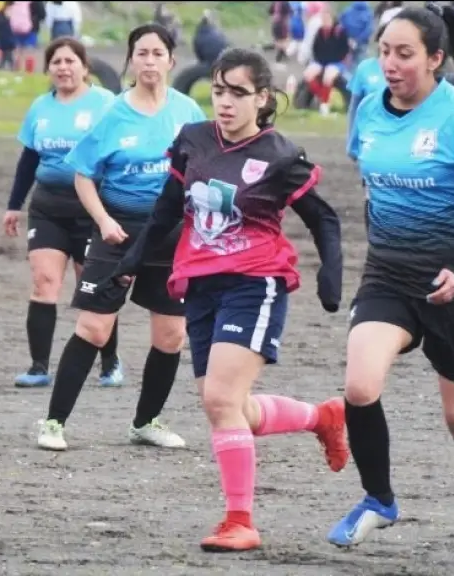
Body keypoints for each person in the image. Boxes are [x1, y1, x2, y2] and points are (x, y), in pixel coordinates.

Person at [104, 47, 348, 552]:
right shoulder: (192, 141)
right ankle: (322, 417)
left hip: (254, 284)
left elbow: (324, 219)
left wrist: (331, 271)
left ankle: (241, 521)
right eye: (218, 91)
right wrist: (132, 260)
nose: (225, 102)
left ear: (263, 98)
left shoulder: (279, 155)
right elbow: (169, 208)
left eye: (238, 92)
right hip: (200, 285)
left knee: (219, 400)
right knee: (229, 406)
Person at [327, 5, 454, 568]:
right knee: (360, 386)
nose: (390, 64)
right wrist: (382, 256)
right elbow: (373, 192)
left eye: (405, 53)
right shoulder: (368, 110)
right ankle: (379, 499)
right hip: (389, 275)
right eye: (385, 52)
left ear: (436, 59)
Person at [34, 23, 206, 452]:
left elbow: (207, 169)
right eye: (141, 54)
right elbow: (83, 176)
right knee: (93, 328)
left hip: (170, 233)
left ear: (172, 60)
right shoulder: (112, 113)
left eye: (157, 53)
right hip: (117, 231)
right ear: (131, 61)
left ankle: (146, 422)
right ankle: (53, 423)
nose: (149, 61)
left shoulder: (188, 113)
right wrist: (104, 221)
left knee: (171, 336)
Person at [3, 37, 123, 389]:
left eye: (70, 61)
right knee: (43, 283)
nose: (63, 67)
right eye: (56, 62)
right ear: (49, 68)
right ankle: (39, 367)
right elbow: (28, 161)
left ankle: (110, 363)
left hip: (92, 208)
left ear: (85, 67)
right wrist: (14, 205)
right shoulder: (40, 108)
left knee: (94, 289)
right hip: (48, 207)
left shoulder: (105, 103)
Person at [304, 8, 352, 117]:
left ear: (332, 19)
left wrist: (334, 61)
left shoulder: (340, 31)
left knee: (328, 77)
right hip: (321, 61)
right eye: (323, 19)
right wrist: (319, 63)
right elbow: (315, 48)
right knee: (308, 74)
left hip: (336, 62)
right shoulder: (320, 31)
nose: (325, 21)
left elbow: (344, 49)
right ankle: (322, 96)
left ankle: (324, 105)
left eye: (327, 19)